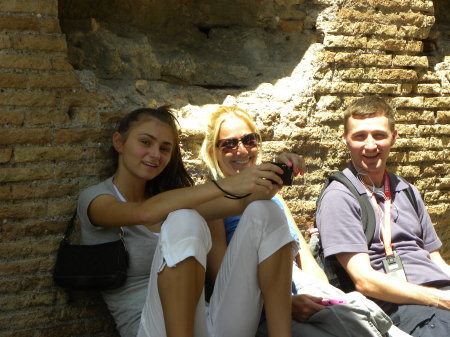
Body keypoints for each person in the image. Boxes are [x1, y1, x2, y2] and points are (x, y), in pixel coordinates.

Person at [77, 106, 296, 337]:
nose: (155, 154)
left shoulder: (168, 199)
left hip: (205, 325)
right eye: (145, 142)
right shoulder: (95, 199)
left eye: (164, 148)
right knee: (184, 218)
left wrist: (278, 172)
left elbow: (244, 202)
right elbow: (144, 214)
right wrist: (226, 185)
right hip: (149, 329)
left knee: (266, 210)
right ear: (119, 142)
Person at [199, 105, 410, 337]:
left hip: (302, 290)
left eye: (249, 140)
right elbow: (225, 282)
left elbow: (307, 263)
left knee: (374, 323)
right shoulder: (214, 202)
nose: (241, 150)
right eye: (229, 143)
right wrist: (287, 304)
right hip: (259, 305)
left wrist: (326, 296)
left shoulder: (274, 196)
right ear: (213, 150)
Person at [316, 96, 450, 336]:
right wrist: (440, 299)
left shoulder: (406, 190)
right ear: (345, 139)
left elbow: (435, 260)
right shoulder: (340, 196)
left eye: (378, 135)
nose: (370, 145)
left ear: (393, 137)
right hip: (403, 309)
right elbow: (365, 280)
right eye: (359, 136)